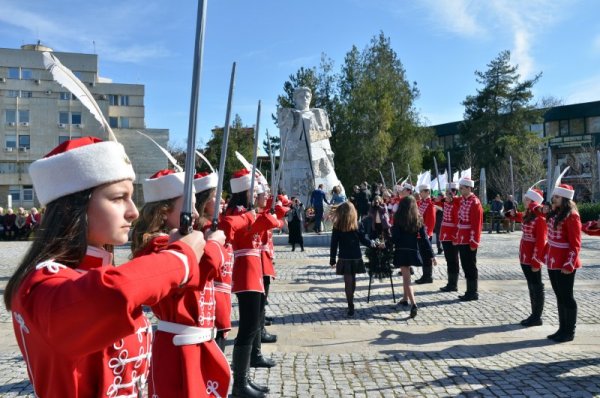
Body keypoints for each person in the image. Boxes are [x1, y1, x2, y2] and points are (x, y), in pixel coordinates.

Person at [3, 137, 206, 397]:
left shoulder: (96, 270)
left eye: (131, 198)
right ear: (75, 207)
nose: (133, 212)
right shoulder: (39, 285)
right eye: (119, 198)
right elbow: (113, 293)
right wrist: (180, 259)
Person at [130, 168, 230, 398]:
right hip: (178, 348)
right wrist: (214, 245)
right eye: (189, 207)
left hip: (195, 345)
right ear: (164, 212)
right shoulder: (158, 246)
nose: (195, 213)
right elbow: (195, 274)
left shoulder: (178, 242)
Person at [219, 168, 281, 398]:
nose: (255, 194)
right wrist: (250, 219)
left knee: (253, 324)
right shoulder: (236, 211)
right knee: (246, 327)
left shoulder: (247, 210)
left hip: (254, 268)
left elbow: (268, 228)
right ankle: (239, 385)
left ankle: (244, 380)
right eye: (252, 190)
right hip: (245, 269)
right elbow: (228, 227)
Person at [194, 171, 234, 355]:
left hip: (222, 290)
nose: (222, 201)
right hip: (213, 292)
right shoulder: (203, 228)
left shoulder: (212, 224)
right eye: (215, 197)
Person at [545, 182, 582, 342]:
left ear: (565, 198)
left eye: (557, 196)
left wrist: (570, 263)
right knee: (559, 295)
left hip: (565, 261)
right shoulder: (556, 213)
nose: (554, 198)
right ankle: (562, 328)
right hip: (553, 259)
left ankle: (569, 331)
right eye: (554, 195)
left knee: (567, 296)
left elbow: (575, 243)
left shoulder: (572, 215)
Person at [391, 196, 436, 318]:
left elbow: (395, 238)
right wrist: (432, 255)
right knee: (406, 277)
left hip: (401, 250)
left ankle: (414, 304)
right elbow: (425, 238)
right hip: (412, 250)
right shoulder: (418, 219)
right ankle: (405, 299)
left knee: (407, 279)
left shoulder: (398, 218)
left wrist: (387, 243)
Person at [511, 186, 547, 327]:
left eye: (527, 199)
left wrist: (536, 259)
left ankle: (537, 316)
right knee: (531, 285)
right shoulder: (528, 214)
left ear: (533, 201)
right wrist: (512, 214)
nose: (524, 200)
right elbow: (520, 217)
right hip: (525, 254)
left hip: (532, 256)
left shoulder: (539, 218)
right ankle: (533, 314)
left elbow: (541, 241)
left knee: (536, 285)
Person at [329, 202, 373, 317]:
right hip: (355, 256)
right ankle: (351, 300)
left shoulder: (337, 225)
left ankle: (350, 304)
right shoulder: (357, 224)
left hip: (344, 256)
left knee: (348, 281)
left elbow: (334, 244)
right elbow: (364, 240)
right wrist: (373, 244)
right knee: (352, 279)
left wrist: (332, 258)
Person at [455, 177, 483, 301]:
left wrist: (474, 241)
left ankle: (473, 292)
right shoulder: (464, 201)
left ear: (468, 188)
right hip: (462, 236)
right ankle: (469, 290)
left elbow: (476, 224)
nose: (460, 190)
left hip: (469, 238)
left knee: (470, 265)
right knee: (465, 264)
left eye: (461, 188)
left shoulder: (474, 202)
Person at [439, 182, 462, 292]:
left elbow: (458, 222)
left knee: (453, 260)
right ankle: (450, 282)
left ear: (453, 193)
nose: (446, 195)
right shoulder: (447, 203)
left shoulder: (456, 205)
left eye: (448, 193)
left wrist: (455, 237)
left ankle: (453, 284)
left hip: (452, 236)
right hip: (445, 235)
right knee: (449, 260)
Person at [415, 182, 436, 284]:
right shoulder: (421, 203)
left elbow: (431, 221)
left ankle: (428, 276)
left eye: (421, 192)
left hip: (425, 234)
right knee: (423, 255)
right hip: (419, 232)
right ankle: (425, 275)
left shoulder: (430, 204)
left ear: (427, 192)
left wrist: (427, 233)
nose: (420, 194)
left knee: (427, 255)